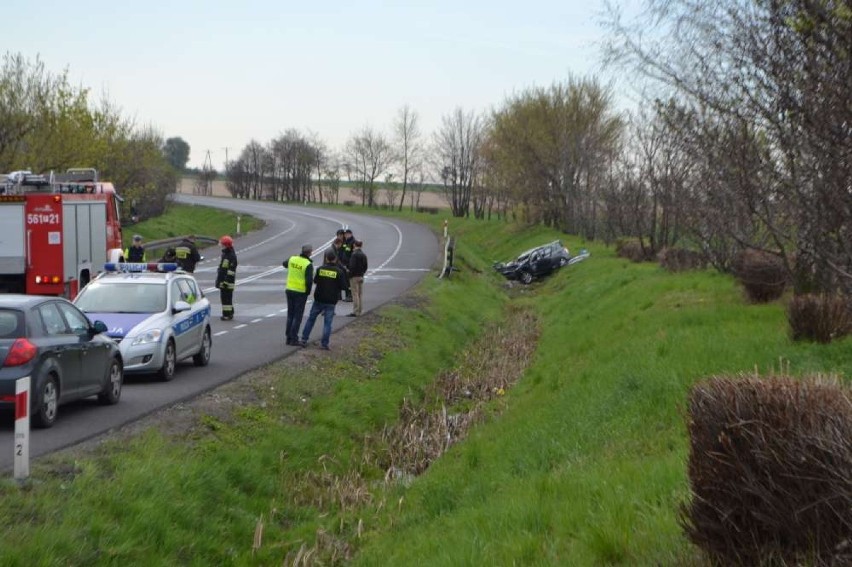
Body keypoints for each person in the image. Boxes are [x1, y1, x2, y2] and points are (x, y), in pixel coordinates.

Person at [299, 249, 346, 350]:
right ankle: (324, 344)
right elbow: (343, 286)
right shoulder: (339, 271)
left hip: (319, 298)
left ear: (326, 258)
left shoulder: (320, 269)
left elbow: (315, 281)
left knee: (311, 319)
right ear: (335, 259)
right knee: (327, 323)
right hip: (331, 300)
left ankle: (304, 339)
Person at [283, 244, 314, 346]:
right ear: (310, 253)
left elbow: (284, 264)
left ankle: (288, 337)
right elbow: (309, 281)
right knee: (297, 316)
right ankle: (294, 338)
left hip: (289, 289)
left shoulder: (292, 259)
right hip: (300, 292)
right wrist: (308, 292)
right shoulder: (308, 264)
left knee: (290, 315)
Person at [215, 235, 238, 320]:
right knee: (225, 299)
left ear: (226, 245)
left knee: (226, 300)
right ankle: (229, 313)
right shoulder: (226, 254)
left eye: (223, 244)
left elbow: (231, 271)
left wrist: (226, 282)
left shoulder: (231, 256)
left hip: (227, 282)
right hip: (224, 281)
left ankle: (227, 315)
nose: (222, 246)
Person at [347, 240, 367, 317]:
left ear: (354, 245)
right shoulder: (363, 254)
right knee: (360, 294)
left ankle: (356, 311)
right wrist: (362, 273)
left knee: (355, 294)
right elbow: (365, 266)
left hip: (354, 276)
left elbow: (352, 266)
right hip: (361, 276)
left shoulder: (354, 255)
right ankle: (360, 310)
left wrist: (349, 275)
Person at [341, 228, 355, 301]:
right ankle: (347, 296)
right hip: (345, 264)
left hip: (349, 265)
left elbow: (352, 254)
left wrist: (350, 264)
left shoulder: (352, 242)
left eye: (347, 234)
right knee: (346, 281)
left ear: (350, 234)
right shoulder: (346, 242)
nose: (345, 235)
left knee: (349, 281)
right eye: (345, 234)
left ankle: (350, 296)